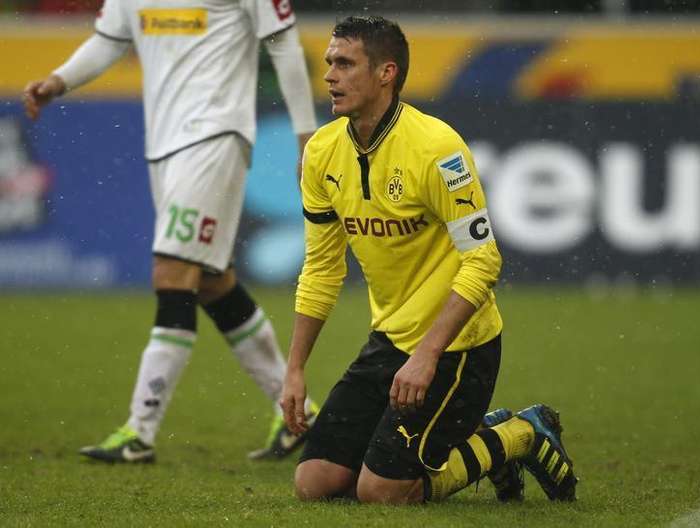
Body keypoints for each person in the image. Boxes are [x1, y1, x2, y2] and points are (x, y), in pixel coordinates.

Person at [280, 15, 579, 504]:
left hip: (458, 349)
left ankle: (520, 435)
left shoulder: (438, 150)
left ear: (386, 73)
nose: (330, 75)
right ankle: (480, 434)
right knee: (315, 483)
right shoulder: (321, 153)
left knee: (381, 491)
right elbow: (321, 268)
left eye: (345, 63)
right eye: (330, 62)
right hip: (389, 342)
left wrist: (427, 354)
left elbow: (484, 261)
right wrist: (294, 369)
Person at [22, 0, 319, 463]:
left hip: (217, 136)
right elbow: (109, 41)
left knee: (172, 271)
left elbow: (283, 44)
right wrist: (59, 80)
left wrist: (305, 136)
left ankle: (139, 432)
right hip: (163, 147)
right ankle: (296, 413)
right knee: (211, 281)